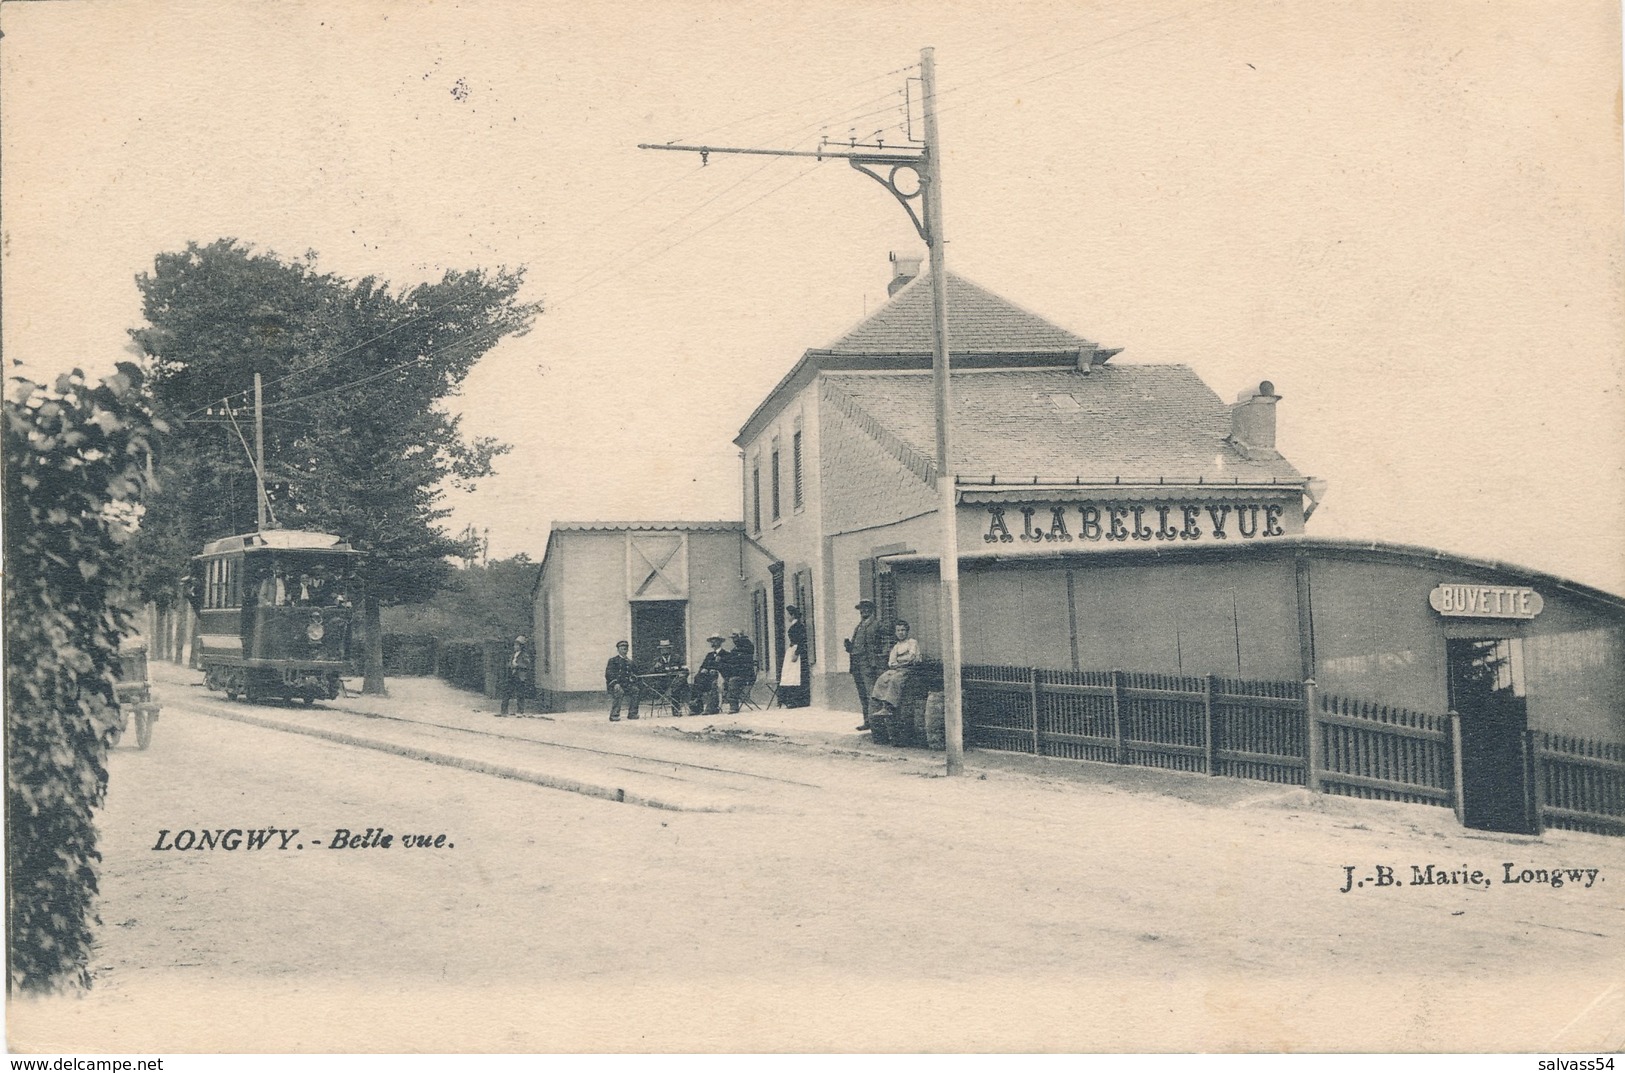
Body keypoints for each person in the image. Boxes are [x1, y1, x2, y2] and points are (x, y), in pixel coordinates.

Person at [869, 618, 920, 722]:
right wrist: (898, 663)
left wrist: (901, 662)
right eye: (898, 630)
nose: (901, 633)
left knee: (895, 679)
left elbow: (912, 657)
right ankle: (881, 704)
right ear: (895, 632)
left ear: (907, 631)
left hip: (909, 669)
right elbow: (891, 662)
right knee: (883, 678)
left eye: (903, 630)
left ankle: (889, 706)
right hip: (898, 668)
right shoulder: (896, 647)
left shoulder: (912, 642)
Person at [846, 600, 883, 730]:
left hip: (868, 664)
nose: (863, 611)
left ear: (871, 609)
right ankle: (867, 721)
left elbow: (881, 643)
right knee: (862, 693)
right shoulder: (859, 626)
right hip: (856, 663)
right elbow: (857, 645)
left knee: (871, 693)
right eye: (861, 609)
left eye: (866, 608)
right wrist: (849, 646)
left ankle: (875, 723)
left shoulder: (877, 624)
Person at [779, 605, 810, 708]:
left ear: (792, 615)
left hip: (797, 651)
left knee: (796, 675)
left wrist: (796, 653)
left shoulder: (799, 626)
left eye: (788, 614)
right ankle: (790, 699)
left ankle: (798, 700)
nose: (787, 617)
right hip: (792, 649)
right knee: (790, 674)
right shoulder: (793, 625)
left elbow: (802, 641)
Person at [690, 633, 727, 715]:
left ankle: (712, 708)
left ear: (720, 642)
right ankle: (696, 707)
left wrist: (717, 669)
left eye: (715, 640)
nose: (713, 642)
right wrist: (704, 669)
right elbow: (702, 666)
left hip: (718, 677)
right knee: (697, 678)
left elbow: (727, 667)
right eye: (711, 641)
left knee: (714, 682)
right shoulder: (709, 655)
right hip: (706, 678)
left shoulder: (725, 654)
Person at [649, 639, 689, 716]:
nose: (664, 651)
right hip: (663, 685)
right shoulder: (657, 660)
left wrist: (682, 674)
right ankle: (676, 708)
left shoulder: (677, 658)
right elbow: (650, 674)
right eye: (662, 649)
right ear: (660, 650)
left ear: (670, 649)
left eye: (667, 648)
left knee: (677, 686)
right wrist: (654, 667)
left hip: (677, 683)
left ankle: (676, 710)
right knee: (674, 687)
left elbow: (686, 670)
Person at [721, 629, 756, 714]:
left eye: (735, 637)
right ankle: (727, 702)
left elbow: (743, 661)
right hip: (737, 674)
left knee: (733, 681)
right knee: (727, 679)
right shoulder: (735, 650)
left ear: (740, 636)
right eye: (733, 638)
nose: (734, 640)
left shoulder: (747, 646)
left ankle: (734, 706)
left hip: (746, 675)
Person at [605, 640, 640, 721]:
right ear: (618, 650)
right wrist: (615, 683)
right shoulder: (613, 661)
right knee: (619, 691)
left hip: (627, 685)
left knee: (635, 690)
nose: (624, 650)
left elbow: (635, 673)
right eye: (622, 648)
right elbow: (609, 674)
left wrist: (633, 677)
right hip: (616, 685)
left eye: (625, 648)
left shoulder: (630, 662)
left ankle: (632, 713)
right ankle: (614, 715)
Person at [499, 635, 533, 716]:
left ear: (521, 646)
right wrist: (511, 665)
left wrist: (517, 665)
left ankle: (520, 711)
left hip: (520, 676)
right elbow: (509, 663)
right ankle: (504, 711)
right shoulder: (513, 655)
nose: (515, 646)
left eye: (517, 645)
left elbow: (527, 665)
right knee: (507, 692)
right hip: (511, 675)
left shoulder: (524, 655)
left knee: (520, 694)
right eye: (515, 645)